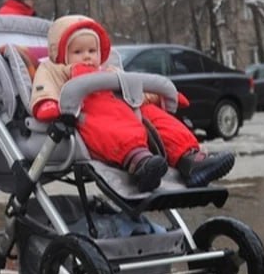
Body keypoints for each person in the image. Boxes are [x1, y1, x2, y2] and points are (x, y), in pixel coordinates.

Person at [30, 15, 235, 192]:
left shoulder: (110, 72)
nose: (87, 56)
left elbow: (135, 91)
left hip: (126, 107)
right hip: (89, 110)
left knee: (154, 115)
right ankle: (140, 163)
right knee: (111, 121)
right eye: (78, 52)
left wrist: (158, 95)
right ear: (62, 55)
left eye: (92, 50)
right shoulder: (57, 70)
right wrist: (47, 102)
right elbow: (44, 85)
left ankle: (190, 159)